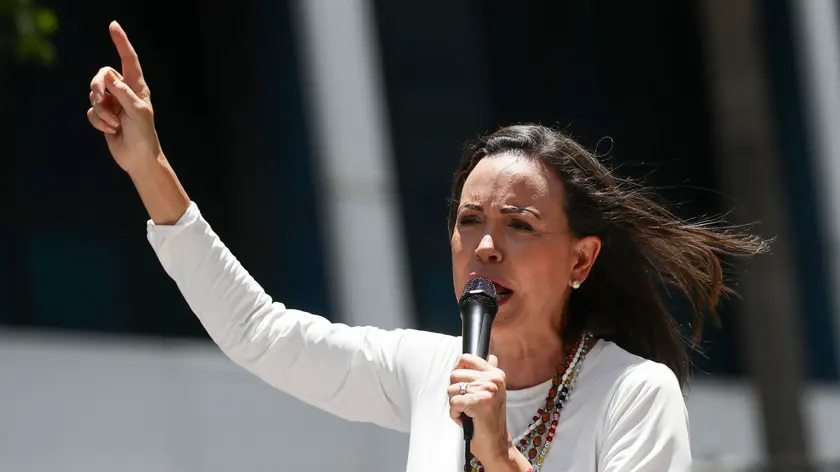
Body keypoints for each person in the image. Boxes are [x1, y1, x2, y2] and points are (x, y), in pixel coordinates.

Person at [87, 21, 768, 472]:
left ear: (582, 260)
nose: (485, 247)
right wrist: (149, 167)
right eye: (469, 221)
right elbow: (259, 333)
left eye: (519, 225)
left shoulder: (632, 394)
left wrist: (500, 458)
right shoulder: (427, 370)